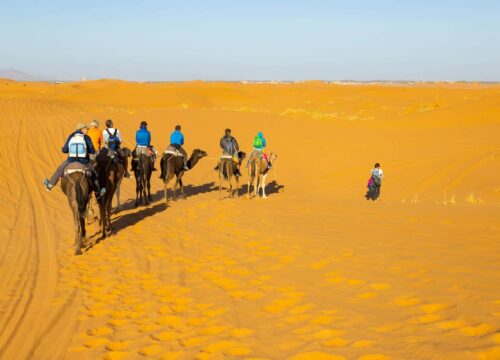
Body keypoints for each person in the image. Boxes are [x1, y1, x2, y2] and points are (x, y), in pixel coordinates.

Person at [43, 123, 105, 199]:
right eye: (86, 129)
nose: (87, 130)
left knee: (60, 169)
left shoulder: (71, 136)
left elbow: (64, 150)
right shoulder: (86, 137)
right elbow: (92, 150)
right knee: (94, 172)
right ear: (81, 129)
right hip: (84, 160)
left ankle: (50, 185)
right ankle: (98, 192)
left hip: (71, 160)